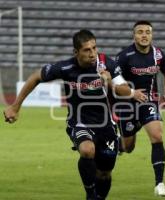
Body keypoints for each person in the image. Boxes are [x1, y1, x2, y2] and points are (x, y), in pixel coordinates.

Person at [3, 29, 146, 200]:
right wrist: (15, 106)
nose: (92, 53)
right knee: (87, 150)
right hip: (79, 122)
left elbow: (123, 90)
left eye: (94, 48)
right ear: (76, 52)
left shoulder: (106, 64)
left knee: (105, 173)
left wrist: (109, 82)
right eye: (87, 50)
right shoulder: (66, 67)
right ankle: (90, 194)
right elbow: (36, 77)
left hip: (105, 125)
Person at [115, 20, 165, 197]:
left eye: (148, 32)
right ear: (134, 35)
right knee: (128, 147)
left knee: (157, 135)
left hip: (148, 102)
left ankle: (159, 183)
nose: (144, 35)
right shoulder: (124, 56)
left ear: (152, 35)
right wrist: (132, 93)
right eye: (140, 32)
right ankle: (118, 144)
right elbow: (114, 84)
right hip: (126, 104)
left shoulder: (158, 54)